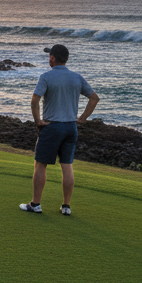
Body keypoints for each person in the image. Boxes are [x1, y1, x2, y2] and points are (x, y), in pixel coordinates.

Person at [20, 43, 99, 216]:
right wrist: (82, 119)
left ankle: (35, 204)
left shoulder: (46, 77)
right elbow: (94, 98)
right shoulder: (77, 77)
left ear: (53, 58)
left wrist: (38, 121)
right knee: (67, 166)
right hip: (71, 127)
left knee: (40, 165)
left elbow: (34, 101)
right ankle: (66, 206)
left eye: (50, 56)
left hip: (52, 126)